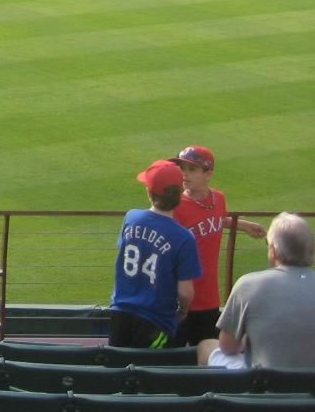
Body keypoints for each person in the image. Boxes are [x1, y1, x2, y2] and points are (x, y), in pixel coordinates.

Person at [169, 145, 265, 346]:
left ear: (208, 173)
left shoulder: (219, 199)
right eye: (182, 168)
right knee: (174, 357)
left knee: (209, 354)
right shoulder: (175, 206)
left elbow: (217, 219)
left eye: (192, 169)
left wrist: (244, 225)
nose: (185, 175)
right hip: (180, 296)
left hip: (209, 297)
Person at [197, 213, 315, 370]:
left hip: (264, 384)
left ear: (273, 251)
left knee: (206, 347)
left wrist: (249, 337)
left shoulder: (248, 284)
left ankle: (215, 395)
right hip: (308, 384)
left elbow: (228, 347)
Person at [108, 160, 202, 349]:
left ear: (149, 192)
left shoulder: (131, 218)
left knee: (116, 370)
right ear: (179, 193)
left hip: (120, 316)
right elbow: (185, 292)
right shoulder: (184, 238)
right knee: (151, 371)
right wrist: (182, 312)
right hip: (157, 321)